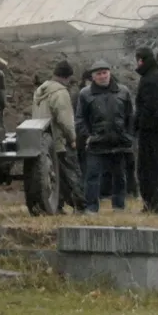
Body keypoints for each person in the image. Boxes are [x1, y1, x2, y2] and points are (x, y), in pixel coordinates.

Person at [76, 60, 134, 213]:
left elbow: (130, 116)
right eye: (98, 74)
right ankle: (91, 208)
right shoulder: (85, 94)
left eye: (105, 73)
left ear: (110, 73)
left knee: (120, 176)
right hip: (96, 143)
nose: (102, 76)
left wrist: (128, 135)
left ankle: (119, 206)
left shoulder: (123, 91)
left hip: (119, 142)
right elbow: (80, 119)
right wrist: (88, 137)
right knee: (92, 176)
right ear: (93, 77)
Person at [32, 61, 82, 211]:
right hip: (60, 142)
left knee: (52, 177)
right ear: (67, 77)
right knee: (72, 175)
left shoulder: (40, 91)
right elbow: (65, 120)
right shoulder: (60, 92)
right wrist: (73, 138)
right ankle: (81, 206)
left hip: (43, 143)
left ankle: (57, 206)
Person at [132, 47, 158, 214]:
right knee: (156, 167)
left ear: (142, 60)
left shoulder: (150, 79)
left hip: (151, 130)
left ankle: (153, 205)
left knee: (147, 169)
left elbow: (149, 108)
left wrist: (138, 126)